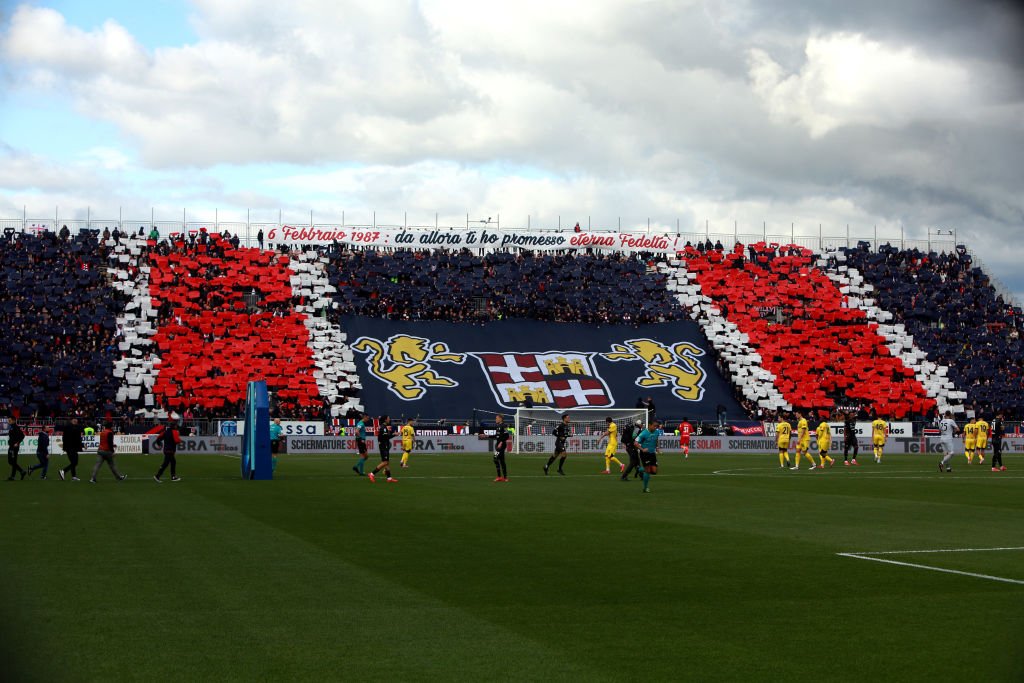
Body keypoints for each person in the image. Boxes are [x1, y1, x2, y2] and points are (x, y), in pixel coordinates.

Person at [367, 415, 396, 483]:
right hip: (383, 446)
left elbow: (385, 436)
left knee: (387, 462)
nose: (389, 419)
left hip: (384, 446)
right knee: (385, 462)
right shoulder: (384, 428)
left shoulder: (382, 427)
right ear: (385, 420)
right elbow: (387, 437)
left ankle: (389, 478)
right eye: (388, 418)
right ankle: (372, 474)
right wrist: (395, 434)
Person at [637, 419, 661, 494]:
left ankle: (640, 469)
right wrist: (642, 449)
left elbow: (656, 440)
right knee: (647, 470)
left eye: (656, 426)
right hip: (645, 453)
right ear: (650, 425)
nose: (655, 428)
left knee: (654, 471)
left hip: (652, 453)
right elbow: (636, 443)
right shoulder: (643, 433)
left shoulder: (656, 432)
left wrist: (657, 448)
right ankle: (645, 488)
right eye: (654, 426)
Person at [492, 414, 510, 482]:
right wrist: (487, 436)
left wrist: (501, 442)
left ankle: (499, 477)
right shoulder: (498, 426)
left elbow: (507, 436)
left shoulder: (504, 426)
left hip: (501, 446)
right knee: (502, 461)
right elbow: (496, 436)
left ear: (500, 419)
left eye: (496, 418)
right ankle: (504, 478)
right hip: (498, 445)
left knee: (495, 458)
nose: (495, 419)